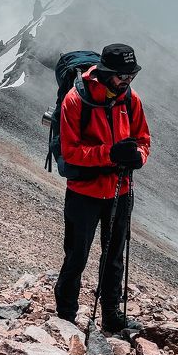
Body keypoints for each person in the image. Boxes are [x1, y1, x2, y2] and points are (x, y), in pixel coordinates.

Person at [54, 43, 151, 332]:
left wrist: (138, 158)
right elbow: (70, 152)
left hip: (120, 191)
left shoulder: (131, 99)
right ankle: (66, 317)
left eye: (131, 75)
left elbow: (144, 140)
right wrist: (110, 154)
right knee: (76, 256)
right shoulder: (75, 100)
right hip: (84, 193)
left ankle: (111, 316)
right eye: (122, 75)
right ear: (105, 72)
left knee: (114, 258)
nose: (127, 80)